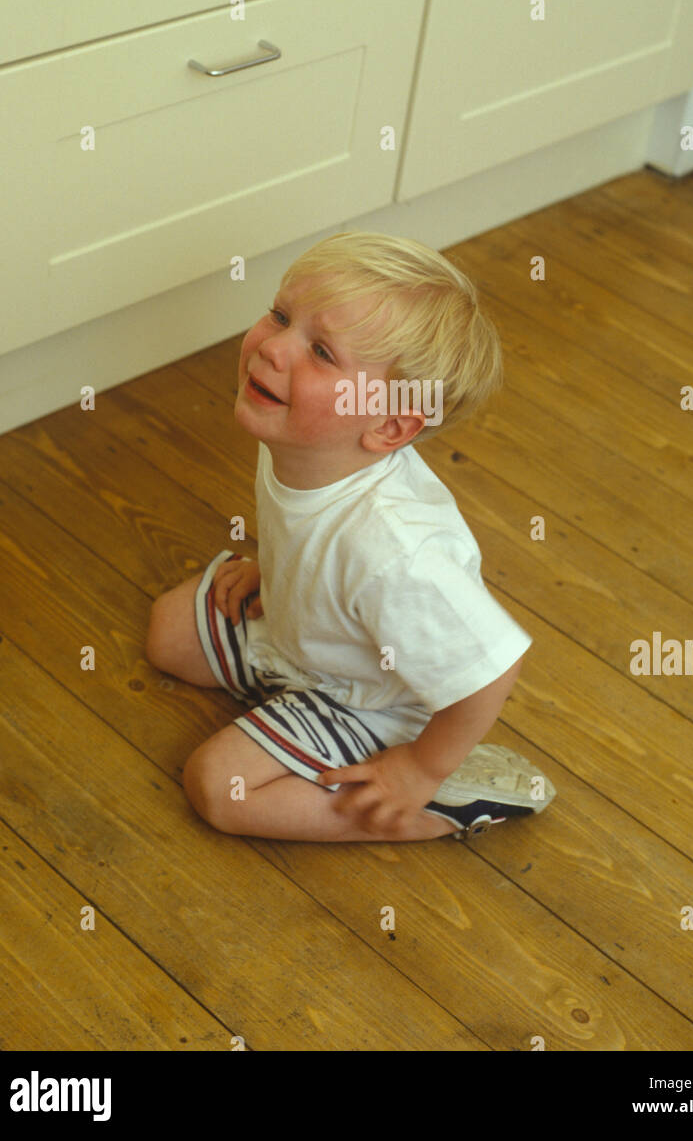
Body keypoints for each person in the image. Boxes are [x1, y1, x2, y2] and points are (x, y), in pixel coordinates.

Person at [146, 231, 556, 841]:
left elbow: (493, 669)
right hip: (314, 641)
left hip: (375, 705)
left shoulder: (398, 552)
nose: (274, 349)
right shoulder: (304, 439)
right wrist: (275, 570)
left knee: (221, 787)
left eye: (321, 353)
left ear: (387, 426)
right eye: (282, 316)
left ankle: (439, 805)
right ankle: (293, 694)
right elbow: (312, 533)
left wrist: (419, 768)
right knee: (169, 633)